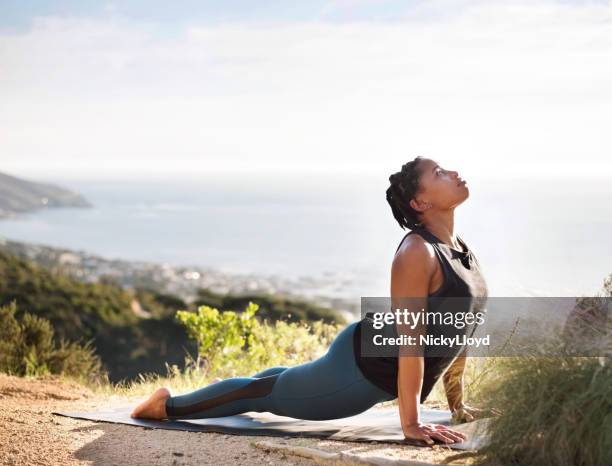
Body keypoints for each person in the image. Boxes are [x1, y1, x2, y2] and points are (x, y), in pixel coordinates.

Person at [131, 156, 490, 445]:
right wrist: (411, 424)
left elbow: (459, 333)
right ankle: (164, 406)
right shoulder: (417, 252)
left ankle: (242, 386)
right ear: (420, 202)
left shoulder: (461, 251)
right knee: (262, 394)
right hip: (357, 373)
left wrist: (457, 405)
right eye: (439, 172)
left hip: (367, 357)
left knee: (274, 381)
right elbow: (412, 342)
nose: (454, 172)